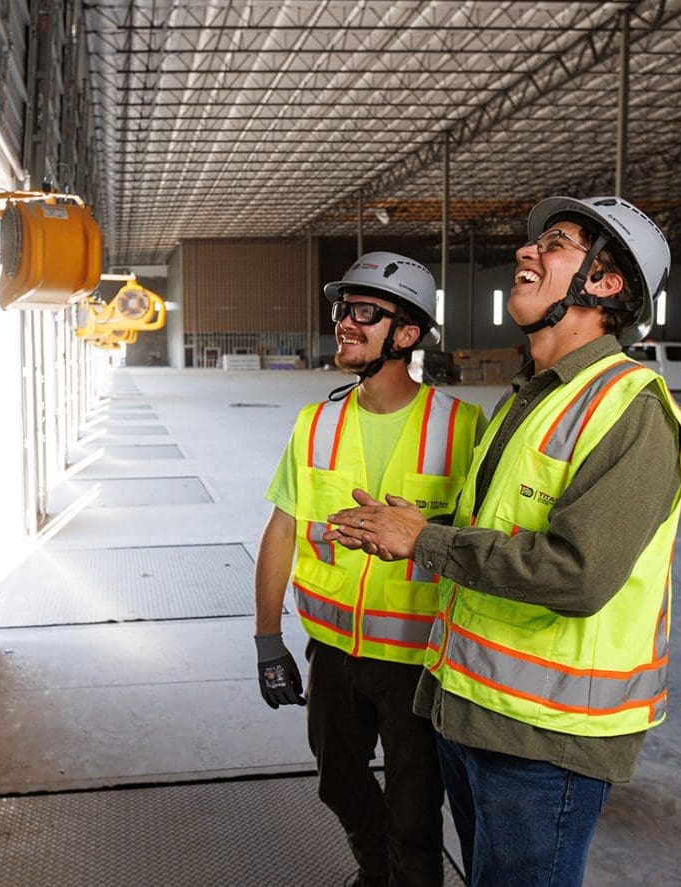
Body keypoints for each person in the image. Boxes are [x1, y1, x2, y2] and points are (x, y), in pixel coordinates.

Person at [325, 197, 681, 886]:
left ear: (605, 283)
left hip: (546, 740)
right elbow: (498, 535)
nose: (525, 252)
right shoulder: (528, 398)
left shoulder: (632, 410)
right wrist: (421, 528)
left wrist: (427, 543)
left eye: (552, 244)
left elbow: (577, 575)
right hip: (473, 715)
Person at [253, 252, 485, 887]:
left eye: (364, 313)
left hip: (418, 660)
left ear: (406, 334)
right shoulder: (316, 424)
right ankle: (377, 871)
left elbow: (482, 542)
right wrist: (268, 637)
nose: (344, 324)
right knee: (338, 787)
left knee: (415, 812)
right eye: (341, 310)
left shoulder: (462, 427)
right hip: (332, 652)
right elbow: (283, 529)